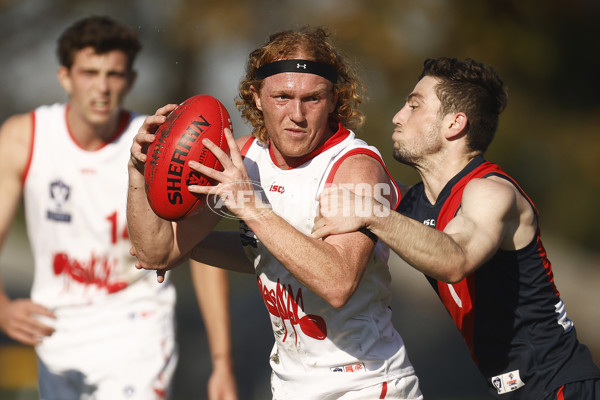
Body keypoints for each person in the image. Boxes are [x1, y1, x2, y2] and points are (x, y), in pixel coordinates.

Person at [127, 27, 423, 400]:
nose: (296, 114)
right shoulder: (241, 159)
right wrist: (139, 171)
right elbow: (157, 253)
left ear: (333, 100)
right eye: (282, 96)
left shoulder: (355, 167)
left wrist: (251, 207)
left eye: (312, 98)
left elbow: (338, 283)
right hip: (289, 384)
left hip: (365, 384)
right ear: (257, 96)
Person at [312, 57, 600, 399]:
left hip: (561, 386)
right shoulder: (412, 206)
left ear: (454, 124)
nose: (397, 116)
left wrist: (371, 213)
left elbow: (455, 260)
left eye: (414, 106)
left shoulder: (491, 192)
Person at [0, 16, 238, 400]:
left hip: (136, 327)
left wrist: (221, 361)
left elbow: (195, 246)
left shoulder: (157, 144)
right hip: (57, 329)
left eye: (115, 74)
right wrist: (1, 308)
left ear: (130, 80)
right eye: (90, 72)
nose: (102, 87)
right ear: (65, 77)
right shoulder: (24, 137)